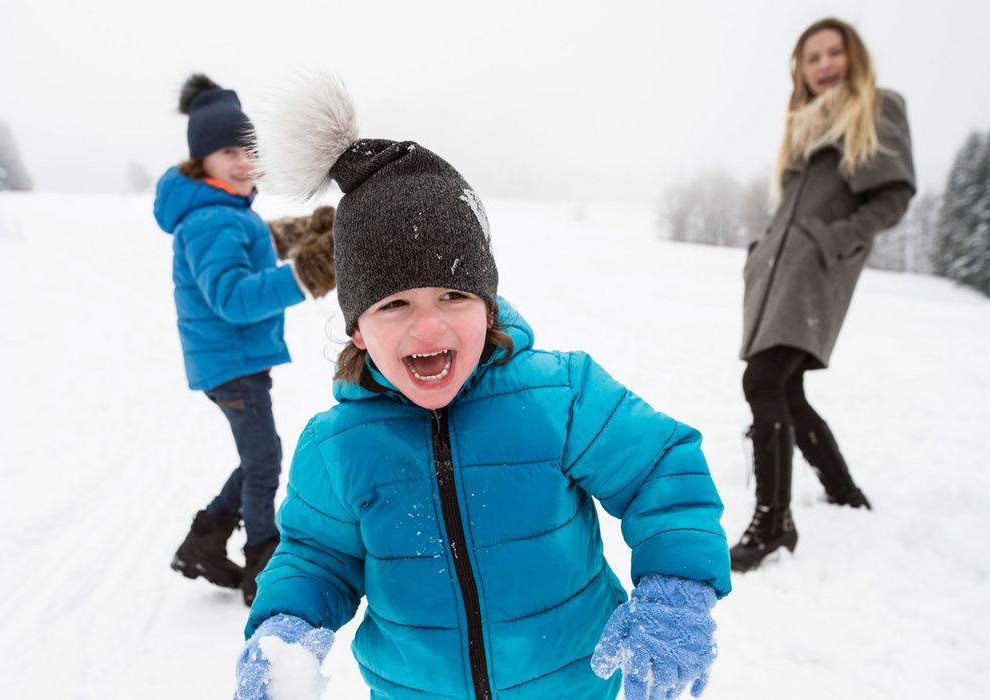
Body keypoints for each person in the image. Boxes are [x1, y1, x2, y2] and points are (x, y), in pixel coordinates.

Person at [231, 74, 731, 700]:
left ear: (488, 309)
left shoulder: (562, 396)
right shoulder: (337, 446)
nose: (428, 324)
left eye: (454, 295)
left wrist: (675, 591)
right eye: (394, 305)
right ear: (357, 329)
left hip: (575, 686)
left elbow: (661, 469)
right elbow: (317, 557)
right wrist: (287, 626)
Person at [734, 18, 916, 572]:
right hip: (777, 273)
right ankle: (843, 492)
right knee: (786, 390)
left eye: (835, 53)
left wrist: (828, 241)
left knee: (763, 379)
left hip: (813, 273)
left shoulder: (876, 108)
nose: (825, 65)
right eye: (813, 58)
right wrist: (763, 248)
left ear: (853, 57)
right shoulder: (803, 124)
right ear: (801, 70)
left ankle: (774, 523)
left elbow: (893, 194)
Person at [153, 74, 335, 605]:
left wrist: (309, 232)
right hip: (231, 363)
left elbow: (256, 244)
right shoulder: (212, 220)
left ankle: (205, 541)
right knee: (263, 463)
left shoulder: (222, 212)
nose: (242, 162)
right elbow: (231, 296)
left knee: (261, 455)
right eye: (229, 151)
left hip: (233, 362)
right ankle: (263, 563)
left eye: (249, 150)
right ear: (201, 159)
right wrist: (310, 272)